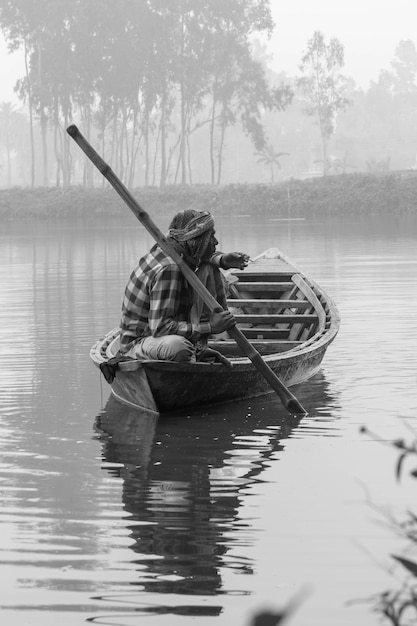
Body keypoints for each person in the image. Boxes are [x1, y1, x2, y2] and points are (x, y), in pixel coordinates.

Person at [118, 209, 250, 363]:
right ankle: (195, 347)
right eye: (211, 237)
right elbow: (160, 328)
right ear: (194, 242)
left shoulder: (171, 250)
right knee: (179, 347)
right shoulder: (169, 269)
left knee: (210, 268)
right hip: (138, 346)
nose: (215, 242)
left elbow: (203, 259)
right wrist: (210, 327)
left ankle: (198, 347)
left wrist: (221, 260)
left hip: (155, 340)